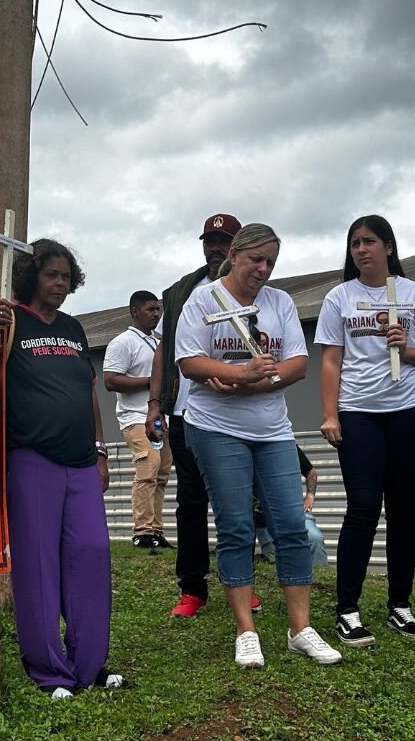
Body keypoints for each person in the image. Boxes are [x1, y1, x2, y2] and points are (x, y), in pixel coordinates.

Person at [177, 223, 342, 667]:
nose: (263, 269)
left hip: (272, 429)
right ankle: (246, 633)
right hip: (216, 427)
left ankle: (300, 628)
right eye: (256, 260)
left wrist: (250, 382)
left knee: (290, 524)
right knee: (236, 526)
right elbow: (190, 360)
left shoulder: (280, 302)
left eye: (270, 262)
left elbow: (299, 364)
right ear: (234, 255)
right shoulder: (203, 299)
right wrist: (237, 374)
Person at [3, 239, 123, 699]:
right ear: (32, 274)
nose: (60, 284)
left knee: (91, 555)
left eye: (67, 278)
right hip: (32, 460)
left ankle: (89, 665)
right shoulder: (10, 320)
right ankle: (50, 671)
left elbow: (89, 393)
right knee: (37, 565)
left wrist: (100, 451)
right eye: (53, 275)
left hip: (80, 462)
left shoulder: (74, 329)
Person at [316, 215, 415, 646]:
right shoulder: (340, 297)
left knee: (404, 508)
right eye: (355, 243)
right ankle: (347, 610)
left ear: (388, 247)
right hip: (357, 410)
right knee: (364, 506)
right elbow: (330, 360)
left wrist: (407, 348)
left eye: (369, 241)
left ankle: (400, 606)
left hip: (408, 406)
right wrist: (330, 414)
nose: (361, 249)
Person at [145, 212, 243, 617]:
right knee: (190, 499)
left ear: (238, 248)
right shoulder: (181, 292)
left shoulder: (251, 288)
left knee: (236, 499)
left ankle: (241, 581)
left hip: (236, 409)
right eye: (209, 241)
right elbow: (164, 350)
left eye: (223, 241)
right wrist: (155, 404)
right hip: (187, 411)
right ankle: (193, 588)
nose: (215, 247)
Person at [103, 291, 173, 549]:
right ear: (135, 311)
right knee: (149, 466)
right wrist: (151, 381)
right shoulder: (123, 342)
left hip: (160, 419)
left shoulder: (159, 342)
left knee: (162, 472)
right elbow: (110, 380)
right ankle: (142, 531)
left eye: (158, 309)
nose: (156, 314)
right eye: (150, 309)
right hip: (134, 417)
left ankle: (155, 530)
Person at [255, 446, 328, 567]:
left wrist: (310, 497)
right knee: (276, 559)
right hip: (263, 519)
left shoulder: (284, 442)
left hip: (293, 509)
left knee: (315, 539)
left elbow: (311, 472)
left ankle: (320, 582)